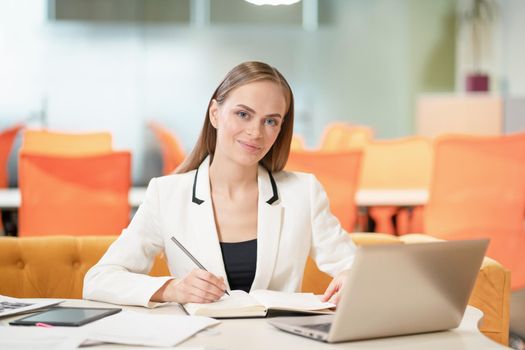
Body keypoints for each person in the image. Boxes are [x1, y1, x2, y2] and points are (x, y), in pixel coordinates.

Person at [83, 61, 356, 308]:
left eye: (271, 121)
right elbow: (99, 279)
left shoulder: (303, 192)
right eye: (243, 114)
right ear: (215, 113)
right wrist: (172, 289)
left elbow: (355, 267)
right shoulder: (166, 195)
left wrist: (350, 276)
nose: (255, 132)